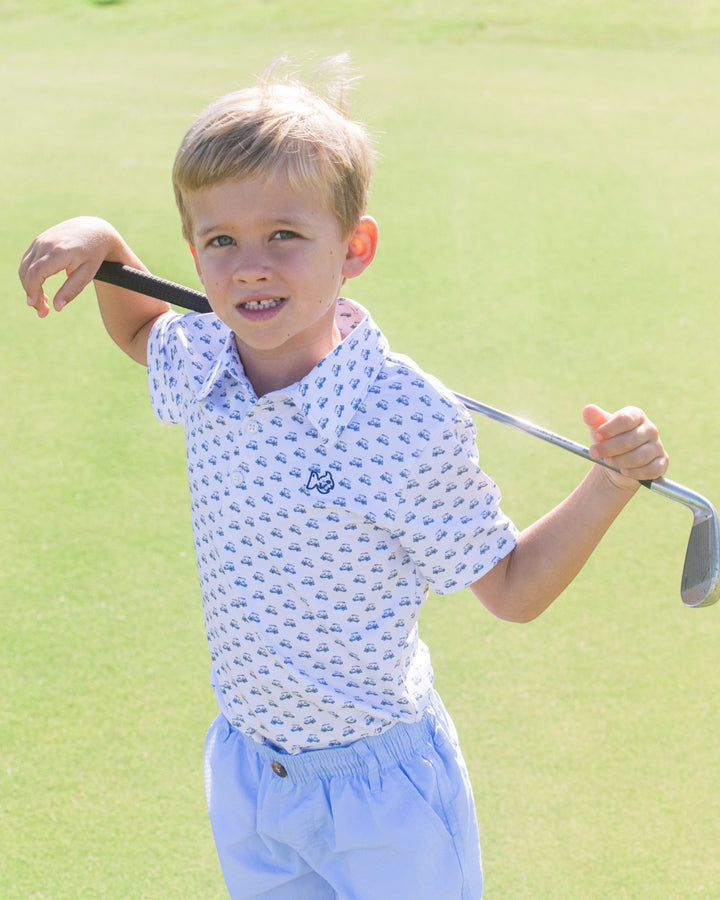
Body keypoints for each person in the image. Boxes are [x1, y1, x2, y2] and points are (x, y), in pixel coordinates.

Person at [19, 57, 668, 900]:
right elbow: (143, 329)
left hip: (382, 789)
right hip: (252, 770)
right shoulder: (205, 357)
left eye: (284, 234)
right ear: (194, 251)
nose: (250, 265)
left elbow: (512, 588)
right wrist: (107, 246)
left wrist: (607, 483)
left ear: (353, 247)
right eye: (222, 241)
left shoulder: (406, 420)